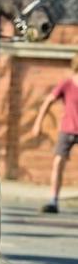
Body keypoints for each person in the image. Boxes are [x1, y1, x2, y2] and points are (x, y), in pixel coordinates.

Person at [32, 53, 78, 214]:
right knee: (58, 163)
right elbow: (48, 102)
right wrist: (38, 122)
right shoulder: (67, 84)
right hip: (67, 129)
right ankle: (53, 201)